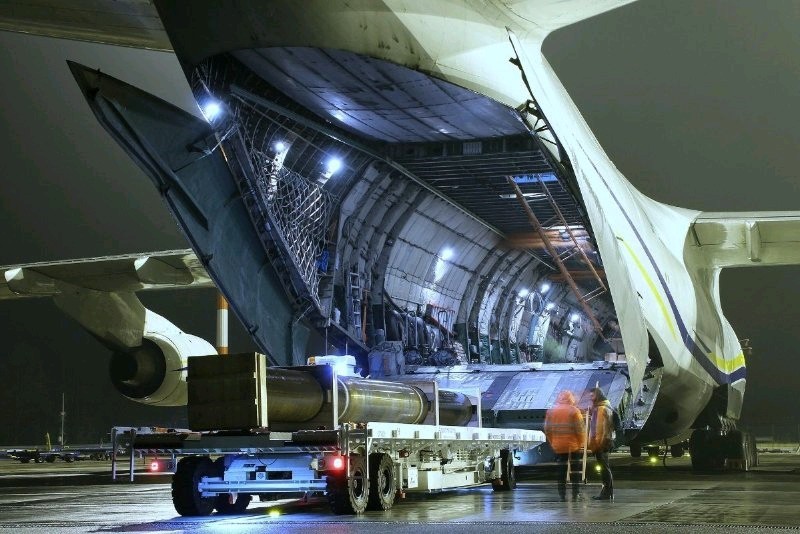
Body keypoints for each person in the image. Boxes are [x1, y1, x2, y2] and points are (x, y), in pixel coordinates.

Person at [543, 390, 585, 501]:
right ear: (571, 399)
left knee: (561, 470)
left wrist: (553, 442)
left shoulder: (551, 411)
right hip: (573, 446)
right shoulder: (574, 411)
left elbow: (547, 429)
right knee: (575, 471)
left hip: (559, 446)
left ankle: (562, 495)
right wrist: (581, 442)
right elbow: (580, 429)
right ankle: (575, 494)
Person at [588, 387, 614, 500]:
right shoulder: (601, 407)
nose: (591, 398)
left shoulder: (602, 408)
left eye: (592, 396)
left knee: (604, 468)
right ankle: (607, 492)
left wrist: (599, 443)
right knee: (604, 468)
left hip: (601, 443)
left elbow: (602, 428)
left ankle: (606, 493)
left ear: (598, 396)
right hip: (601, 442)